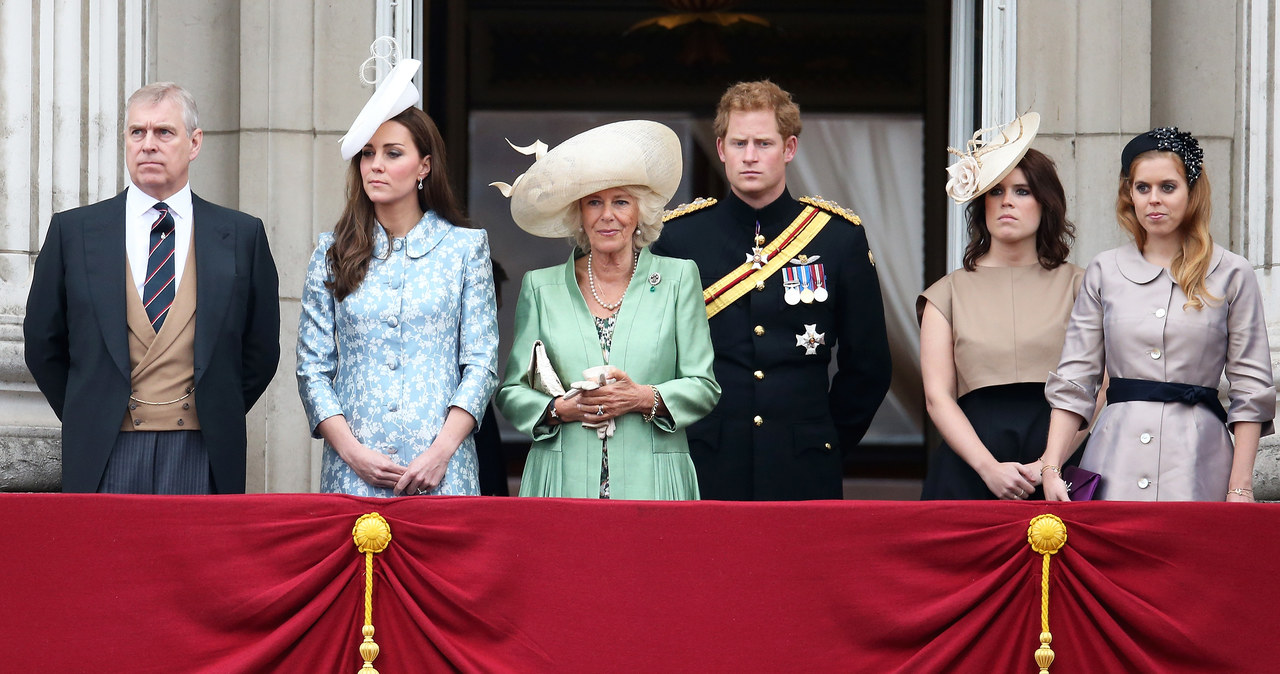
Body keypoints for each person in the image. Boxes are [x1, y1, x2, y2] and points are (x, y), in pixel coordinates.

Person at [23, 82, 281, 494]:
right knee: (108, 560)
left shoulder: (241, 235)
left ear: (194, 143)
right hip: (104, 451)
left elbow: (261, 349)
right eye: (137, 132)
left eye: (164, 132)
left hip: (202, 451)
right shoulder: (74, 232)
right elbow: (42, 342)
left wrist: (213, 409)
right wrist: (92, 409)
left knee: (194, 561)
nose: (148, 145)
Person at [651, 80, 891, 500]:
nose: (749, 156)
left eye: (763, 143)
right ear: (721, 148)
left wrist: (825, 441)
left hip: (804, 463)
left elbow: (868, 365)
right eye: (739, 143)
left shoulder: (837, 238)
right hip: (705, 459)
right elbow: (657, 355)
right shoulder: (680, 239)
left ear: (790, 148)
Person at [296, 49, 499, 497]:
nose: (376, 165)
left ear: (424, 166)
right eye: (367, 154)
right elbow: (312, 369)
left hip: (444, 471)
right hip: (353, 475)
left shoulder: (465, 249)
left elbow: (482, 364)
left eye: (392, 153)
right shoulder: (330, 251)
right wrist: (352, 453)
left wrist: (441, 451)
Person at [1041, 127, 1275, 501]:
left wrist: (1240, 486)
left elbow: (1251, 389)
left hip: (1200, 462)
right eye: (1142, 188)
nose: (1154, 199)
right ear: (1128, 193)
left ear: (1192, 191)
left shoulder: (1232, 272)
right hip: (1114, 459)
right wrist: (1051, 466)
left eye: (1168, 187)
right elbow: (1075, 380)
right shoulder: (1104, 270)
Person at [493, 120, 720, 499]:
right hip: (561, 481)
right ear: (579, 214)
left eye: (620, 201)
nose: (607, 215)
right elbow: (512, 392)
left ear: (639, 212)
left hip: (654, 483)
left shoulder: (679, 279)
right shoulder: (541, 287)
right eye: (594, 202)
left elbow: (704, 386)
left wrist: (642, 397)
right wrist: (559, 408)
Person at [920, 113, 1089, 500]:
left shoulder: (1082, 286)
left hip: (1063, 462)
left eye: (1022, 191)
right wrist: (987, 468)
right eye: (995, 191)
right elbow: (937, 398)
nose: (1007, 202)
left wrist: (1049, 462)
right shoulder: (945, 293)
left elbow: (1100, 389)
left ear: (1046, 203)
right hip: (970, 467)